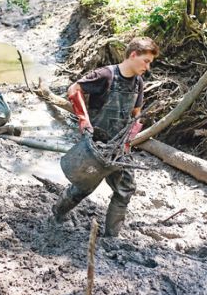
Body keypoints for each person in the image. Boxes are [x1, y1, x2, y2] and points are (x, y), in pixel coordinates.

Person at [52, 37, 159, 237]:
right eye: (146, 60)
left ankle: (112, 235)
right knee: (83, 187)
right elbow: (74, 89)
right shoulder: (105, 75)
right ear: (133, 55)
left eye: (150, 62)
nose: (148, 66)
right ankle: (58, 213)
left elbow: (136, 114)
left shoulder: (138, 83)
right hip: (96, 144)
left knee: (125, 188)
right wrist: (83, 119)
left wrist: (129, 140)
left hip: (119, 147)